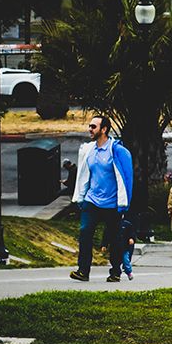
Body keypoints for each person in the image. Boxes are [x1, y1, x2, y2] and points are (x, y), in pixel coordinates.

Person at [69, 115, 133, 283]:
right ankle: (83, 271)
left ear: (104, 129)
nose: (90, 129)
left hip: (112, 204)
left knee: (115, 238)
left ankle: (115, 272)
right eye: (90, 126)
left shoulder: (117, 151)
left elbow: (126, 179)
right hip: (92, 200)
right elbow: (84, 175)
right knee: (85, 232)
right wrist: (81, 197)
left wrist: (124, 204)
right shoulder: (89, 150)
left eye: (93, 127)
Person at [118, 216, 136, 280]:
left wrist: (131, 238)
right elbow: (107, 234)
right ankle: (116, 273)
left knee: (126, 260)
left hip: (124, 246)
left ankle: (128, 272)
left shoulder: (127, 224)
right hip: (116, 246)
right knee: (115, 261)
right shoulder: (113, 224)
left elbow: (132, 233)